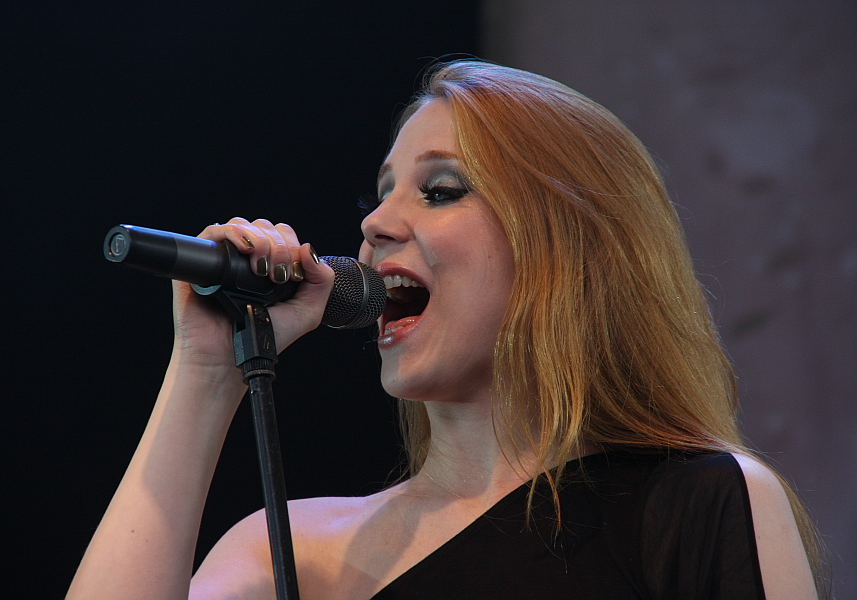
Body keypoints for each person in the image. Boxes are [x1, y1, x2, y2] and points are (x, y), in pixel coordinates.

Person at [67, 61, 822, 600]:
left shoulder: (693, 502)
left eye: (440, 190)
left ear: (565, 247)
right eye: (381, 193)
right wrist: (205, 372)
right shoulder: (291, 551)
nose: (374, 223)